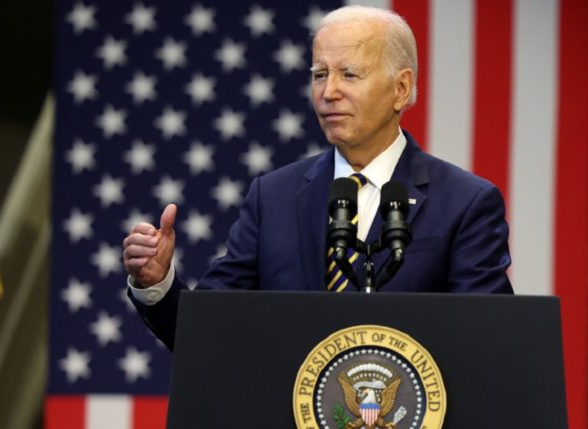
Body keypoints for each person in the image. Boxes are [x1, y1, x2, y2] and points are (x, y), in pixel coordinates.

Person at [122, 6, 513, 350]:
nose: (329, 92)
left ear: (401, 88)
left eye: (350, 74)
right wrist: (157, 283)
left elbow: (485, 343)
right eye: (319, 74)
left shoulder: (465, 203)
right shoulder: (272, 197)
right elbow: (208, 335)